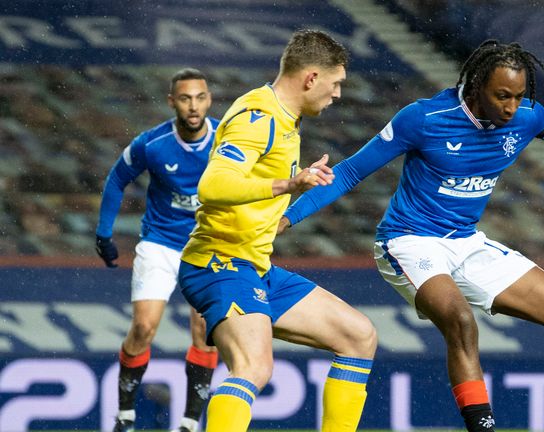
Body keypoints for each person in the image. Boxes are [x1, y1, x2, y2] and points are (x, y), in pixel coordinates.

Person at [281, 40, 544, 432]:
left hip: (466, 242)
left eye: (519, 96)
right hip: (408, 241)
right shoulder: (423, 118)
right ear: (475, 88)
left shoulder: (525, 117)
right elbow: (351, 172)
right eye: (502, 95)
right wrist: (287, 219)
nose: (511, 106)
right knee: (460, 320)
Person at [177, 29, 377, 432]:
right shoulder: (259, 117)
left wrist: (281, 214)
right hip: (219, 265)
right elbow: (212, 186)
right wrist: (287, 185)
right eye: (335, 84)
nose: (338, 94)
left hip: (254, 266)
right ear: (311, 79)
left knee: (359, 335)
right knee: (254, 367)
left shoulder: (285, 118)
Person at [95, 68, 220, 432]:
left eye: (200, 97)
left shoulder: (229, 140)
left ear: (209, 99)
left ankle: (189, 423)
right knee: (144, 328)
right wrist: (104, 233)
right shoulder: (152, 144)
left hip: (207, 244)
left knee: (204, 331)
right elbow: (117, 178)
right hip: (160, 243)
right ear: (172, 102)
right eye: (185, 98)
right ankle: (125, 416)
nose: (193, 106)